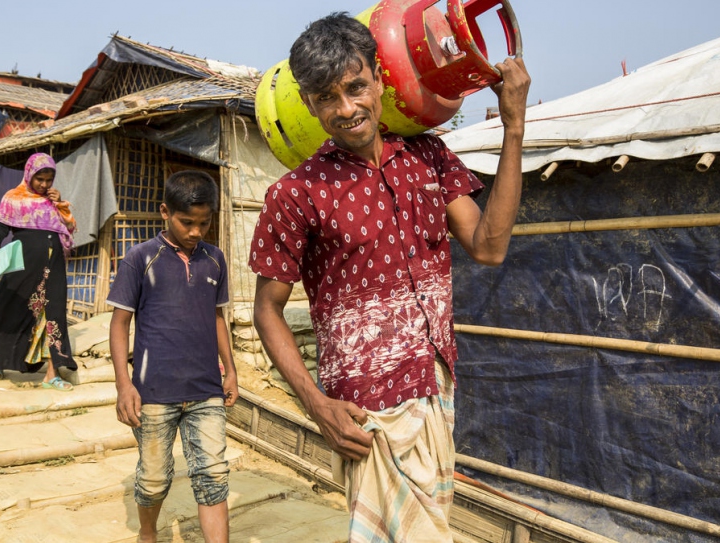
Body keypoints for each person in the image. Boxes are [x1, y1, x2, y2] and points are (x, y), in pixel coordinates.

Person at [249, 13, 530, 543]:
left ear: (380, 80)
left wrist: (513, 127)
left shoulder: (427, 157)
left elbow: (489, 247)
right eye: (326, 98)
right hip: (367, 412)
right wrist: (317, 405)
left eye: (356, 88)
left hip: (437, 389)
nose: (346, 109)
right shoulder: (296, 193)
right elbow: (266, 310)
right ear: (309, 104)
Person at [107, 170, 239, 543]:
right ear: (165, 211)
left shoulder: (215, 260)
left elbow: (217, 318)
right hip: (154, 391)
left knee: (213, 473)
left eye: (204, 222)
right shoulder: (141, 258)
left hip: (205, 389)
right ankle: (147, 533)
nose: (196, 231)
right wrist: (124, 384)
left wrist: (230, 371)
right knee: (153, 477)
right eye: (187, 222)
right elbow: (120, 325)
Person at [0, 152, 78, 391]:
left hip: (53, 265)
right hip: (24, 266)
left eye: (49, 180)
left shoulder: (53, 200)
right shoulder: (14, 198)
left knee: (54, 315)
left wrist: (59, 204)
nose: (45, 185)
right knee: (8, 307)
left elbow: (69, 227)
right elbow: (0, 224)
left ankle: (51, 374)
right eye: (40, 179)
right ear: (29, 175)